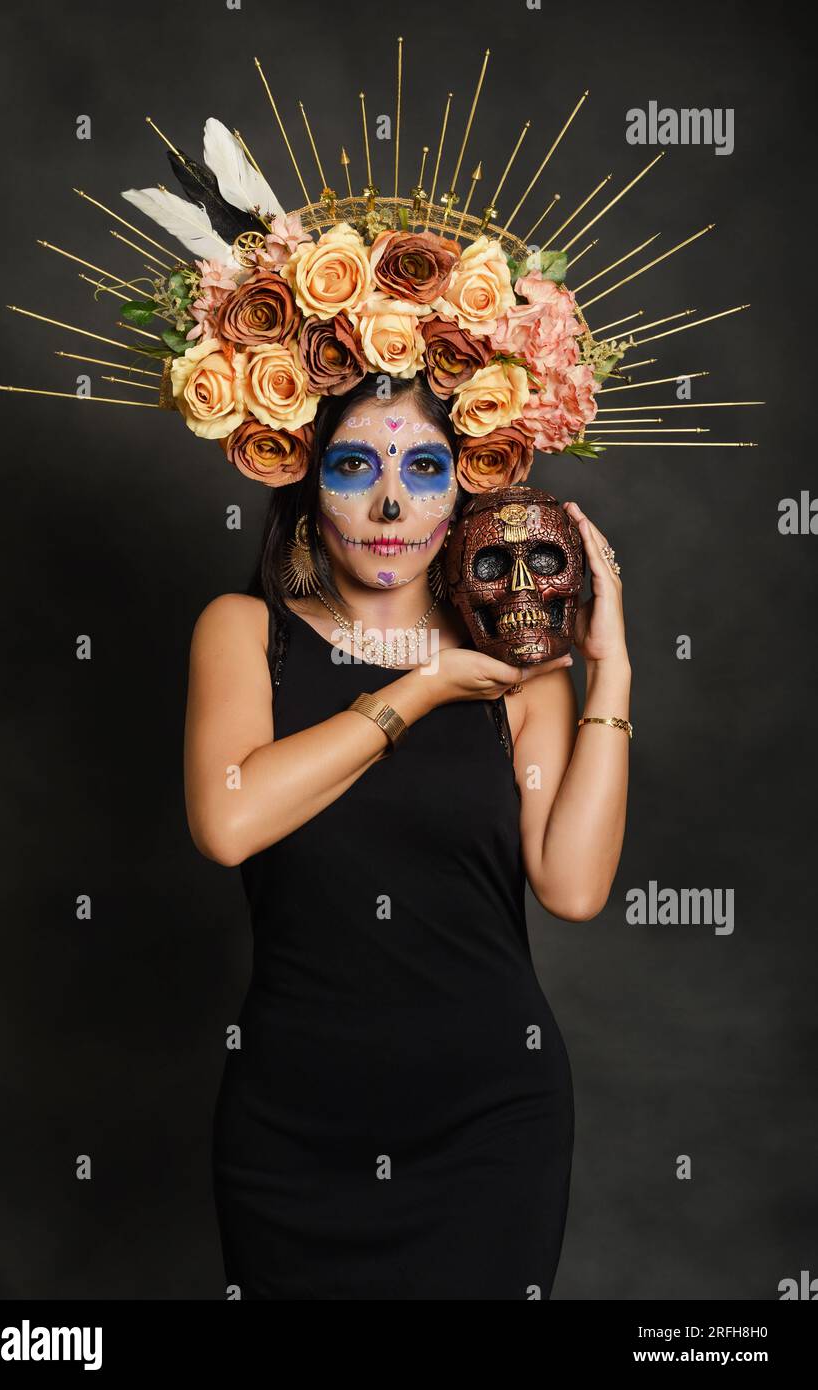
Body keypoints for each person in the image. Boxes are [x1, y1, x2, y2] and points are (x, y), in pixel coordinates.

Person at [183, 369, 632, 1300]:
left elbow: (573, 887)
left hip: (487, 1124)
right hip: (292, 1127)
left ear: (461, 489)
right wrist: (418, 686)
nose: (391, 501)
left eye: (425, 467)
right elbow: (229, 822)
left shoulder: (522, 677)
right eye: (356, 464)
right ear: (307, 479)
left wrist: (611, 671)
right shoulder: (245, 633)